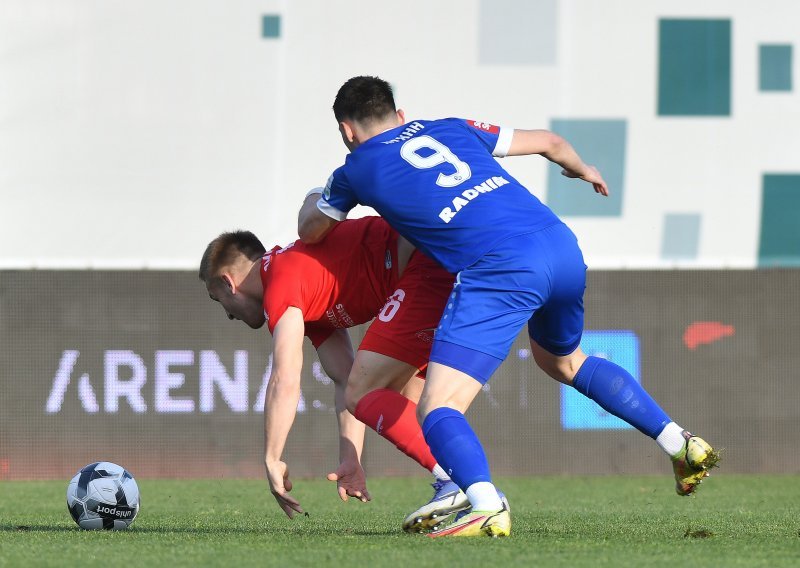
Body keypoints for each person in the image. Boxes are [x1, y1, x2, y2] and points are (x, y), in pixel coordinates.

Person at [298, 76, 720, 538]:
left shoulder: (355, 168)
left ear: (346, 131)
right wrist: (583, 169)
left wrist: (312, 201)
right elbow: (552, 142)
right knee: (564, 361)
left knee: (438, 405)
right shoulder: (452, 127)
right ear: (401, 115)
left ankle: (484, 504)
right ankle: (680, 442)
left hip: (500, 265)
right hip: (559, 245)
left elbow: (313, 230)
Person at [199, 212, 481, 531]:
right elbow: (346, 380)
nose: (227, 315)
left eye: (217, 299)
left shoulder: (280, 281)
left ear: (228, 282)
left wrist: (272, 457)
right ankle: (477, 493)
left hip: (426, 264)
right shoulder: (303, 291)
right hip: (437, 266)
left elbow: (285, 377)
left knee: (394, 393)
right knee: (413, 401)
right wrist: (351, 457)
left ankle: (460, 483)